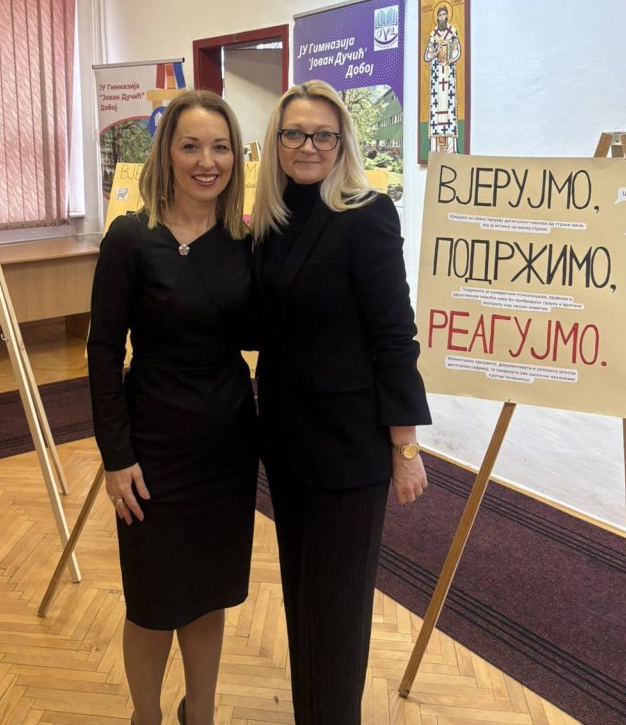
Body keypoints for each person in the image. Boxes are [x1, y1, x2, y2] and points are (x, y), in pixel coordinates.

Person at [251, 80, 431, 725]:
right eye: (295, 133)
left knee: (337, 609)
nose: (308, 146)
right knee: (303, 595)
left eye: (323, 135)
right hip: (287, 438)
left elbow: (395, 336)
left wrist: (404, 446)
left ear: (342, 142)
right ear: (276, 141)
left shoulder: (366, 213)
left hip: (348, 447)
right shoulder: (271, 219)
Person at [87, 90, 258, 725]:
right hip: (152, 451)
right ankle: (147, 717)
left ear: (236, 158)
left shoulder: (245, 239)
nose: (206, 162)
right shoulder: (132, 238)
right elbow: (104, 350)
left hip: (227, 447)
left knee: (210, 592)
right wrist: (116, 456)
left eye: (220, 148)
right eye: (191, 146)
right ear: (167, 153)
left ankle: (201, 714)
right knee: (153, 602)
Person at [423, 3, 462, 153]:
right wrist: (435, 53)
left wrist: (449, 58)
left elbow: (457, 51)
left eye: (444, 14)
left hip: (448, 73)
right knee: (436, 110)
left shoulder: (453, 31)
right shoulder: (433, 34)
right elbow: (426, 56)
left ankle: (451, 149)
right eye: (439, 15)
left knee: (449, 110)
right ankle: (435, 150)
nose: (441, 17)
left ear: (447, 16)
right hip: (436, 77)